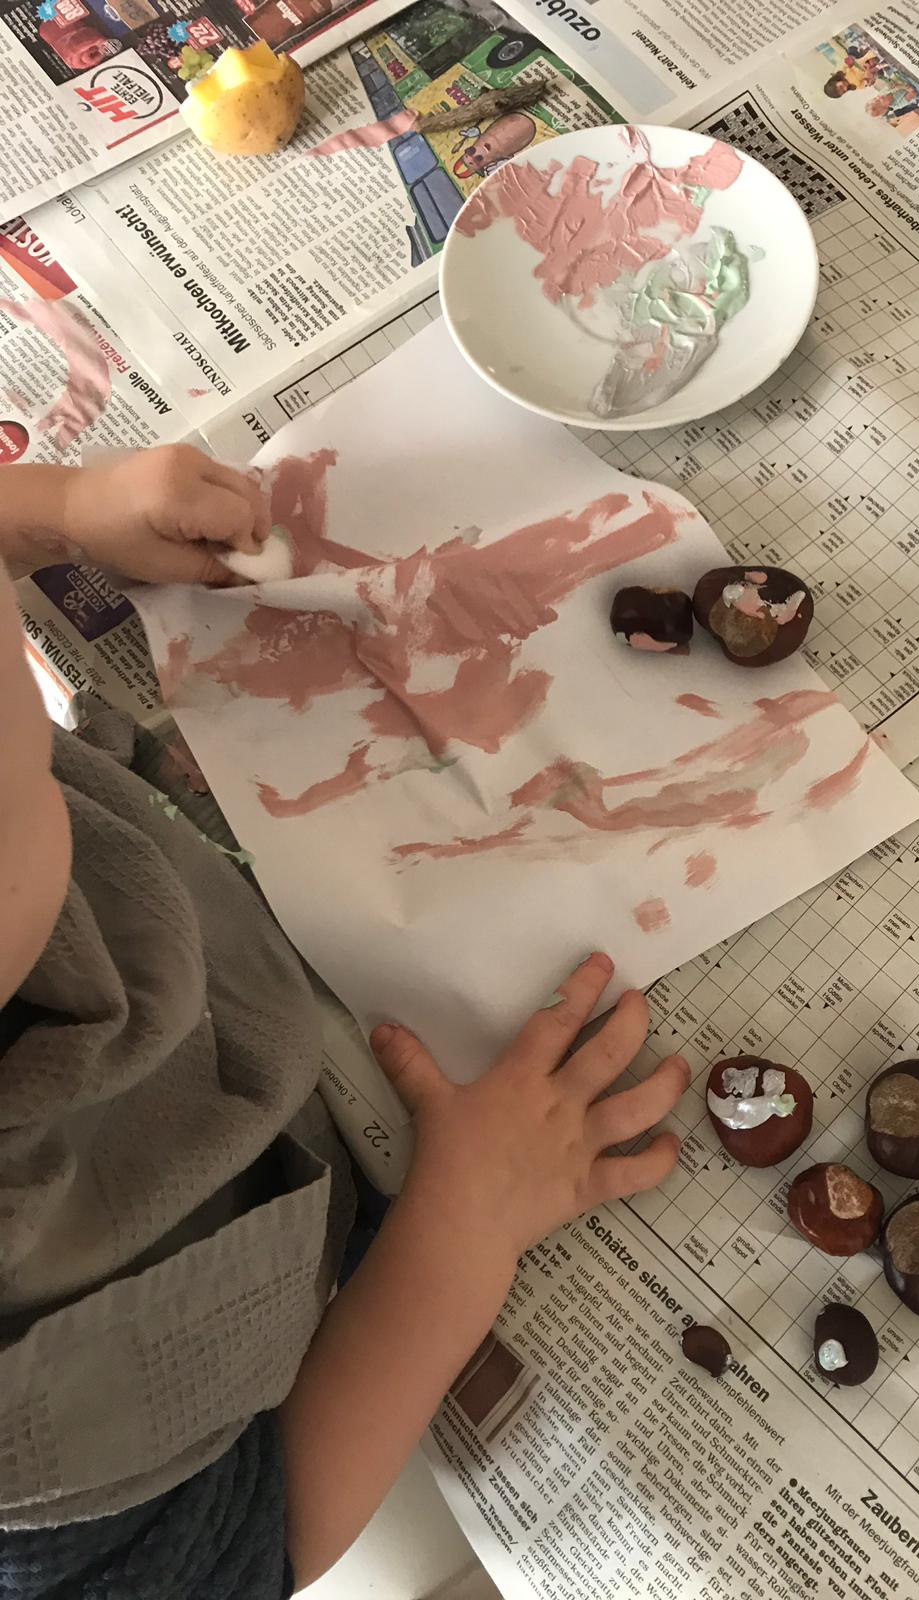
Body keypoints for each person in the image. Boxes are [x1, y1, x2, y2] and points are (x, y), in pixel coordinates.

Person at [0, 444, 689, 1595]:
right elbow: (268, 1532)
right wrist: (466, 1225)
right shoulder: (43, 1459)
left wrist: (57, 507)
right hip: (284, 1300)